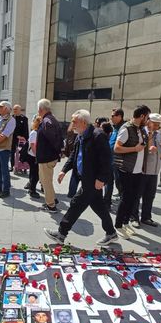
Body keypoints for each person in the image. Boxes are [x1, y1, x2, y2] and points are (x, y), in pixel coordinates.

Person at [44, 110, 118, 247]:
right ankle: (111, 233)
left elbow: (107, 159)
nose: (72, 124)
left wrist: (101, 179)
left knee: (76, 204)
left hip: (92, 179)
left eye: (74, 121)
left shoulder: (98, 135)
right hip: (85, 178)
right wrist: (64, 170)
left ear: (83, 122)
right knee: (99, 207)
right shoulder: (81, 136)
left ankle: (61, 234)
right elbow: (74, 155)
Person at [113, 105, 150, 239]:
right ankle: (118, 226)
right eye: (147, 117)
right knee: (125, 199)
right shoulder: (126, 128)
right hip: (126, 169)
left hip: (138, 170)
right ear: (142, 116)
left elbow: (142, 147)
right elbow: (117, 148)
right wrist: (134, 149)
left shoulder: (141, 129)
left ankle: (125, 222)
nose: (148, 120)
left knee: (133, 199)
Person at [131, 113, 161, 228]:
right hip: (142, 169)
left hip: (154, 170)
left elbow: (158, 149)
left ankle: (146, 217)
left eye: (158, 124)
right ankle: (134, 217)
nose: (157, 126)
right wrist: (148, 147)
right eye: (155, 124)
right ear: (148, 121)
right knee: (137, 195)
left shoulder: (159, 134)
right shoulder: (142, 132)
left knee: (150, 195)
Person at [36, 99, 63, 212]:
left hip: (47, 157)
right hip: (48, 156)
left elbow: (54, 140)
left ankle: (51, 205)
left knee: (46, 181)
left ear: (41, 109)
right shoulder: (51, 119)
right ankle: (52, 199)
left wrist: (55, 153)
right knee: (45, 180)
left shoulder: (47, 121)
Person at [104, 108, 124, 207]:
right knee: (109, 181)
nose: (111, 118)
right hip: (110, 159)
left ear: (119, 116)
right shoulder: (115, 128)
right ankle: (107, 202)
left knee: (119, 181)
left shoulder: (123, 128)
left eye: (113, 116)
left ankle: (123, 202)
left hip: (118, 160)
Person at [25, 116, 42, 199]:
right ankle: (32, 190)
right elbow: (32, 145)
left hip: (34, 156)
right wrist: (37, 156)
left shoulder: (38, 132)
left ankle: (31, 187)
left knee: (34, 173)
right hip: (33, 156)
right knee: (35, 174)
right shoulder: (34, 133)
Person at [10, 104, 29, 172]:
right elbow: (11, 129)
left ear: (20, 110)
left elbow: (26, 129)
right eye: (14, 109)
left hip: (22, 139)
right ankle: (12, 166)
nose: (14, 111)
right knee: (12, 153)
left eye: (16, 109)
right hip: (13, 138)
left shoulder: (24, 118)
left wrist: (25, 138)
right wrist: (16, 135)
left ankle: (22, 166)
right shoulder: (11, 118)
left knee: (22, 153)